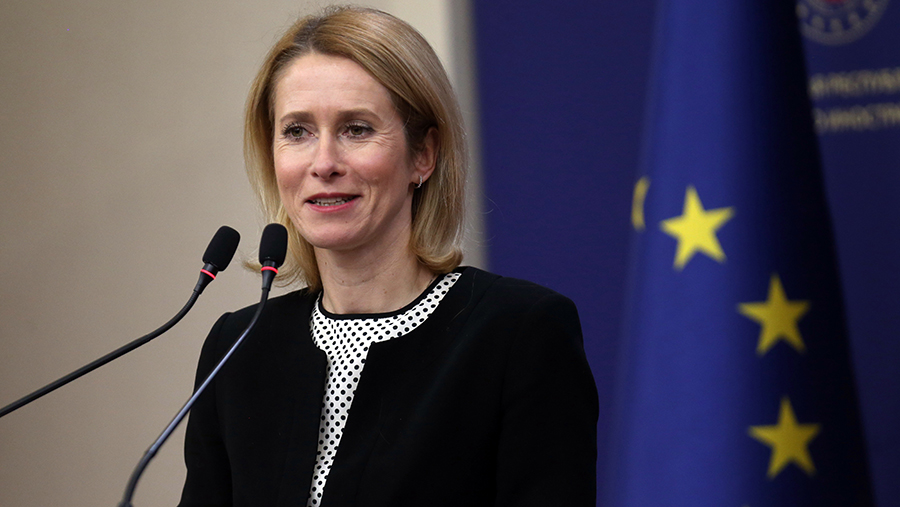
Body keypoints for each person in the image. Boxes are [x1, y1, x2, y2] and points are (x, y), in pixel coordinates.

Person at [178, 7, 598, 507]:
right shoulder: (238, 346)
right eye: (297, 131)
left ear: (424, 154)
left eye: (356, 129)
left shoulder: (518, 333)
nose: (323, 163)